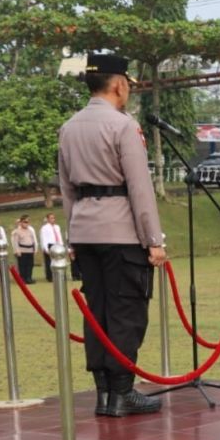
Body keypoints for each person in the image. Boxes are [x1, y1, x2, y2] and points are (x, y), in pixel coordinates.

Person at [58, 52, 166, 418]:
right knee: (126, 312)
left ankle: (103, 393)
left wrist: (73, 237)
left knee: (98, 314)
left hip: (85, 232)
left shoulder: (69, 126)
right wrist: (154, 239)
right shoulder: (123, 125)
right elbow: (139, 187)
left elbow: (66, 189)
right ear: (119, 84)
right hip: (121, 233)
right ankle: (123, 392)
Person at [10, 215, 38, 283]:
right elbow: (15, 242)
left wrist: (35, 249)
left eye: (27, 222)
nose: (26, 223)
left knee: (30, 265)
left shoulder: (30, 231)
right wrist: (17, 251)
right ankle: (23, 279)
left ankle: (29, 278)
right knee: (22, 266)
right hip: (22, 250)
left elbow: (33, 241)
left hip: (30, 250)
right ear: (21, 222)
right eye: (25, 222)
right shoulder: (17, 231)